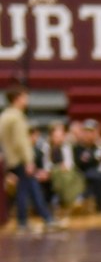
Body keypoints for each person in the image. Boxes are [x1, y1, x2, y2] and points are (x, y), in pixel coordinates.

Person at [0, 86, 62, 233]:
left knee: (29, 188)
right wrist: (28, 160)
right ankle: (37, 221)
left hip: (12, 158)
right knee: (25, 190)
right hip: (20, 159)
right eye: (25, 97)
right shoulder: (16, 117)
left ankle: (43, 218)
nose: (27, 100)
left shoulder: (5, 115)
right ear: (18, 98)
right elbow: (21, 141)